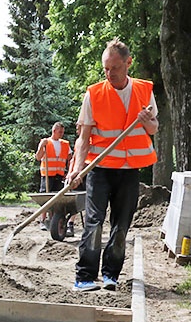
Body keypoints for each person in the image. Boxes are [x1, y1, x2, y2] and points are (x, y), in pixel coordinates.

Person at [66, 37, 158, 292]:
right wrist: (76, 169)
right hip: (100, 168)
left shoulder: (143, 91)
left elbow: (153, 128)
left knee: (121, 227)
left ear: (128, 63)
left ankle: (111, 275)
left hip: (129, 171)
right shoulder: (94, 94)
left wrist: (146, 121)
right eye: (106, 68)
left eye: (115, 68)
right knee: (94, 223)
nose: (110, 74)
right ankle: (84, 276)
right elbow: (83, 138)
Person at [34, 122, 72, 234]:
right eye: (60, 132)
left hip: (59, 175)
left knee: (58, 198)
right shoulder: (46, 142)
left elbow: (70, 158)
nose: (61, 134)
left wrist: (69, 171)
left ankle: (54, 220)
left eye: (63, 132)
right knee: (45, 197)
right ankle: (43, 220)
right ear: (54, 131)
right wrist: (41, 146)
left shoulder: (65, 144)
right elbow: (38, 157)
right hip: (47, 175)